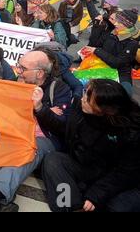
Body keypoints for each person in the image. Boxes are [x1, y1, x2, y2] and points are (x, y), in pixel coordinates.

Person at [0, 50, 71, 212]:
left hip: (43, 139)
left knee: (26, 150)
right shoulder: (15, 81)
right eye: (18, 66)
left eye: (23, 68)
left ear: (39, 73)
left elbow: (62, 127)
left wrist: (40, 108)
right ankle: (1, 203)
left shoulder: (59, 89)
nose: (18, 70)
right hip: (14, 132)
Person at [40, 80, 140, 212]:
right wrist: (41, 109)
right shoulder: (80, 107)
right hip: (87, 165)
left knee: (116, 207)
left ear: (103, 110)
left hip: (117, 177)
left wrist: (96, 194)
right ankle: (70, 207)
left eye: (88, 99)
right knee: (53, 161)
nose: (83, 99)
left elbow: (124, 173)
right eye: (85, 93)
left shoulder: (132, 132)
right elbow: (65, 129)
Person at [84, 8, 139, 96]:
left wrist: (97, 51)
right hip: (101, 67)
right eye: (116, 20)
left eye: (120, 22)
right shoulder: (112, 32)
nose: (116, 24)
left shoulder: (132, 43)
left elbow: (117, 63)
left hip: (121, 73)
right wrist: (96, 25)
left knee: (125, 93)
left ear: (128, 25)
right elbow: (95, 43)